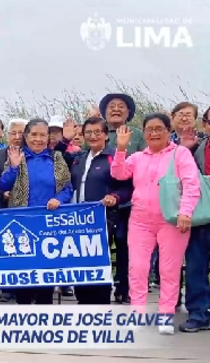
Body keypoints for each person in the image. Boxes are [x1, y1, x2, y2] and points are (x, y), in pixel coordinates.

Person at [110, 113, 200, 335]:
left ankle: (165, 315)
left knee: (169, 269)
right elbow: (119, 173)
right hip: (140, 220)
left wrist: (185, 212)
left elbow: (191, 184)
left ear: (169, 131)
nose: (154, 133)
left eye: (159, 128)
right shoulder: (138, 157)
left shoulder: (180, 154)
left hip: (172, 219)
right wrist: (121, 149)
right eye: (149, 129)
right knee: (138, 268)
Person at [56, 117, 133, 304]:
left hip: (105, 218)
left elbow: (129, 187)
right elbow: (55, 158)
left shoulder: (116, 155)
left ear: (106, 135)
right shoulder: (78, 158)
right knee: (82, 263)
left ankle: (101, 305)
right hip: (79, 220)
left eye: (97, 132)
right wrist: (64, 141)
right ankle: (83, 302)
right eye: (88, 133)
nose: (93, 136)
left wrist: (115, 197)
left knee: (99, 262)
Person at [0, 118, 74, 305]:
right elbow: (3, 185)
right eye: (34, 134)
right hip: (22, 222)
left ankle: (44, 313)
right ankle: (24, 313)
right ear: (26, 136)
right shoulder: (17, 156)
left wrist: (59, 199)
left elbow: (67, 188)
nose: (38, 139)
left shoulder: (56, 158)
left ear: (48, 137)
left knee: (46, 274)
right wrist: (14, 167)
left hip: (49, 223)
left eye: (42, 135)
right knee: (23, 273)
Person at [100, 92, 146, 304]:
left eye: (121, 106)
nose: (116, 109)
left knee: (127, 246)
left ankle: (124, 288)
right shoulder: (96, 131)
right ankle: (100, 288)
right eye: (111, 106)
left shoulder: (138, 135)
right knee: (100, 246)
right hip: (100, 201)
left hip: (131, 200)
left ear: (129, 112)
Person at [179, 105, 210, 332]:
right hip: (201, 216)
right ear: (205, 124)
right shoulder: (198, 148)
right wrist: (187, 150)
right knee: (195, 266)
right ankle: (199, 313)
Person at [0, 118, 29, 303]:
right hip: (5, 208)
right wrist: (2, 191)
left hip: (27, 209)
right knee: (7, 247)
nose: (17, 137)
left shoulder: (33, 153)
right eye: (13, 133)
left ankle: (25, 288)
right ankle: (7, 288)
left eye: (21, 133)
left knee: (25, 247)